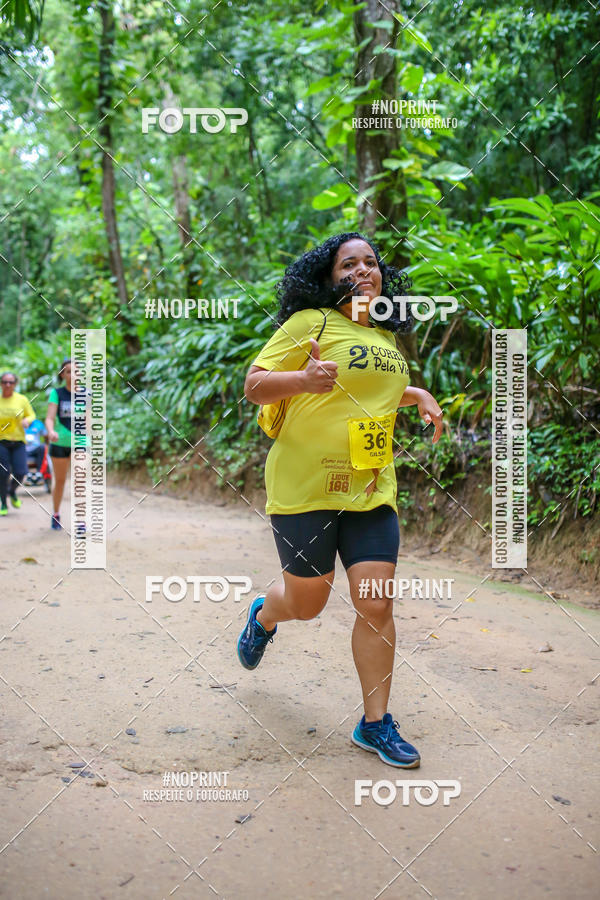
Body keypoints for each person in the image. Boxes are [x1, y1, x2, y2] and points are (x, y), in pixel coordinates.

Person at [239, 232, 443, 769]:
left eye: (370, 262)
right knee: (307, 604)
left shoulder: (388, 339)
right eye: (347, 263)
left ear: (382, 276)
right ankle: (264, 614)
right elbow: (255, 385)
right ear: (329, 278)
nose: (361, 270)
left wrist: (414, 394)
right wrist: (302, 380)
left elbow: (367, 389)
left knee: (375, 602)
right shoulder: (310, 324)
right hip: (305, 487)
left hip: (371, 489)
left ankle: (374, 724)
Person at [0, 372, 35, 516]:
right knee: (3, 473)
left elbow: (31, 414)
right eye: (5, 382)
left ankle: (12, 492)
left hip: (19, 441)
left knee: (21, 472)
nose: (8, 385)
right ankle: (3, 503)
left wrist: (28, 420)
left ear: (15, 384)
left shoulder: (22, 399)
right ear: (1, 384)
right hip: (2, 441)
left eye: (11, 382)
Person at [45, 358, 74, 530]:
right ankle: (56, 514)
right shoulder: (57, 393)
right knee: (61, 481)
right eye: (68, 371)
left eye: (76, 371)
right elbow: (49, 418)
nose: (72, 375)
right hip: (60, 442)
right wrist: (51, 431)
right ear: (62, 375)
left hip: (80, 442)